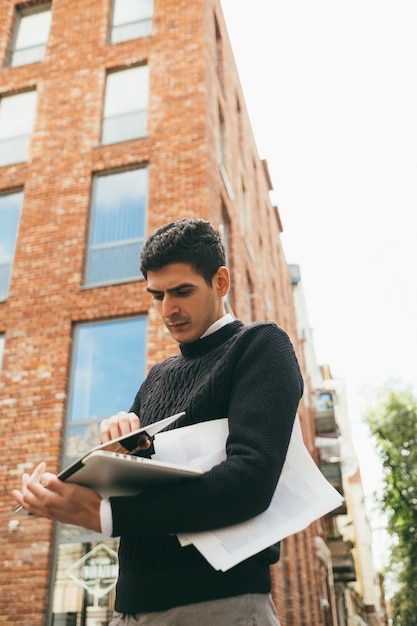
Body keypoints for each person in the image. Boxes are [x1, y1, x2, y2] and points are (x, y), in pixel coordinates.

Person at [13, 218, 304, 625]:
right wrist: (120, 453)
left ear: (220, 282)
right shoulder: (156, 377)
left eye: (182, 291)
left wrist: (106, 515)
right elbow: (146, 480)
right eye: (157, 295)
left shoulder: (260, 346)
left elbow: (249, 483)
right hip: (130, 610)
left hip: (220, 607)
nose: (168, 309)